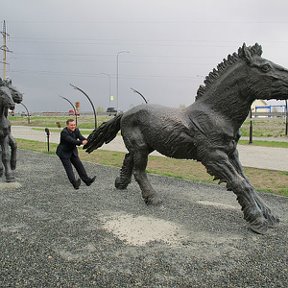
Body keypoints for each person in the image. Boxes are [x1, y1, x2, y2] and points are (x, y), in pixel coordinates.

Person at [56, 119, 96, 189]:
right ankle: (75, 183)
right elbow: (72, 141)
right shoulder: (64, 132)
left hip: (72, 151)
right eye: (71, 125)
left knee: (79, 166)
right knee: (69, 169)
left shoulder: (76, 130)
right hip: (64, 153)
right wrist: (81, 142)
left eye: (74, 125)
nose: (73, 126)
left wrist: (87, 140)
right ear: (67, 125)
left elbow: (80, 137)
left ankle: (87, 181)